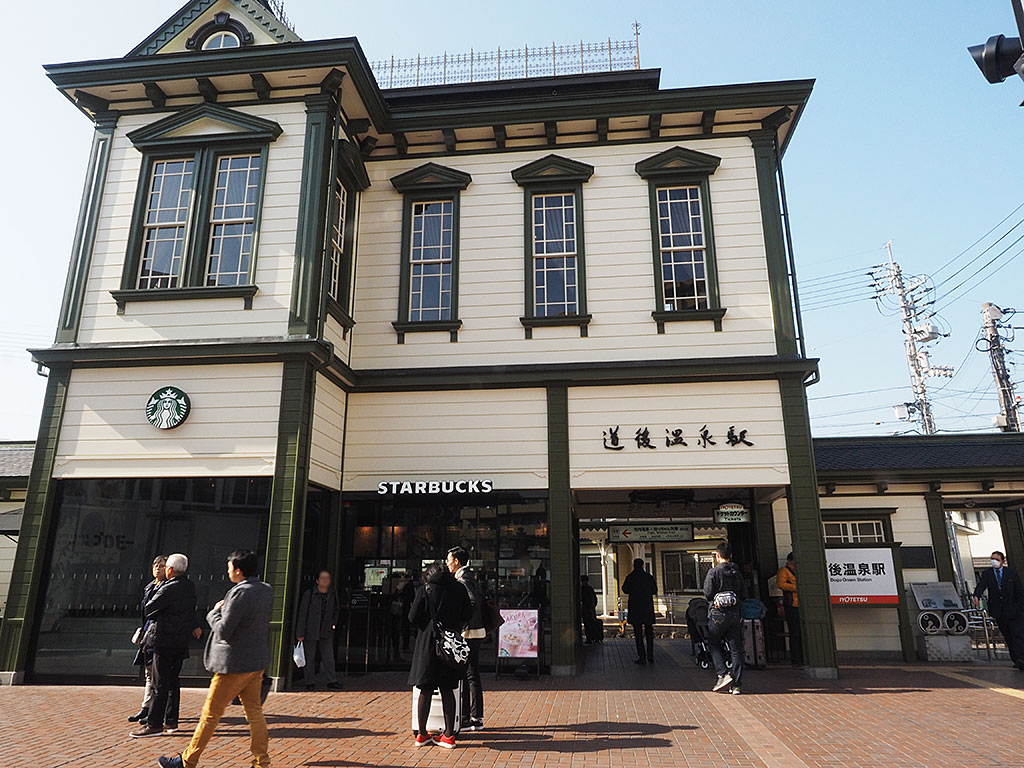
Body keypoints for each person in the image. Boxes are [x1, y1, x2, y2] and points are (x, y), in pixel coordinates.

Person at [156, 549, 274, 768]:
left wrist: (214, 612)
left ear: (238, 571)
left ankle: (188, 760)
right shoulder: (265, 590)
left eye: (229, 567)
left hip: (233, 665)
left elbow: (224, 631)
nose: (227, 571)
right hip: (256, 662)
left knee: (210, 715)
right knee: (255, 713)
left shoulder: (240, 593)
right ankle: (262, 761)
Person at [132, 553, 201, 738]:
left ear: (170, 570)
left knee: (159, 682)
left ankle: (154, 723)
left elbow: (149, 609)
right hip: (180, 640)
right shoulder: (189, 586)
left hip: (163, 639)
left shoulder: (168, 588)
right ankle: (171, 721)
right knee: (173, 681)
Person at [408, 561, 472, 749]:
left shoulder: (425, 589)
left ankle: (421, 734)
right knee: (448, 689)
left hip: (427, 644)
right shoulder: (458, 589)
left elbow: (412, 617)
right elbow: (467, 613)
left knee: (425, 689)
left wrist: (427, 627)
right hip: (449, 645)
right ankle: (449, 735)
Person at [447, 547, 486, 732]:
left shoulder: (463, 579)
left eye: (449, 560)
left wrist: (461, 621)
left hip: (469, 632)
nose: (447, 563)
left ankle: (465, 719)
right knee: (473, 675)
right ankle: (476, 717)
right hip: (476, 631)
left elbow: (472, 602)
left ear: (457, 561)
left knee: (465, 675)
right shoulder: (469, 577)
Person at [703, 542, 747, 694]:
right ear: (731, 556)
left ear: (717, 556)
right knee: (736, 649)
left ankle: (722, 673)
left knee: (713, 643)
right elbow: (743, 593)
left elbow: (708, 593)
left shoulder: (713, 572)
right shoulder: (737, 573)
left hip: (717, 614)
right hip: (735, 613)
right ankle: (736, 685)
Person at [130, 555, 167, 723]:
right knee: (148, 673)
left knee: (156, 674)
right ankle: (145, 707)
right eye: (155, 566)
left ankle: (154, 709)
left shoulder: (167, 587)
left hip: (158, 634)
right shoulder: (149, 587)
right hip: (147, 633)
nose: (157, 569)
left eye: (161, 566)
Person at [973, 550, 1024, 670]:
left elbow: (1019, 591)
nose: (994, 561)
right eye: (992, 558)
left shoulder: (1011, 573)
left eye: (996, 559)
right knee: (1008, 635)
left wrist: (1020, 607)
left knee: (1018, 634)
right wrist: (976, 595)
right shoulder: (987, 574)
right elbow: (982, 585)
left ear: (1003, 561)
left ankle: (1021, 658)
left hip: (1014, 610)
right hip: (999, 611)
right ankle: (1016, 659)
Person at [295, 569, 341, 690]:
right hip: (310, 630)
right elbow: (302, 613)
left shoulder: (332, 593)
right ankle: (309, 682)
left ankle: (332, 680)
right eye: (323, 578)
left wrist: (333, 623)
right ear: (317, 581)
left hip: (325, 630)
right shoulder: (309, 594)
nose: (326, 581)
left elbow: (336, 609)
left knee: (328, 657)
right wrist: (300, 632)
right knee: (309, 657)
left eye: (328, 578)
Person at [621, 558, 657, 664]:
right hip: (647, 608)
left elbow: (625, 589)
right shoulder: (648, 577)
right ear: (642, 565)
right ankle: (650, 655)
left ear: (633, 565)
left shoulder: (630, 577)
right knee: (649, 632)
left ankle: (642, 656)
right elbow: (654, 590)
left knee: (638, 634)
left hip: (635, 608)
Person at [776, 552, 803, 667]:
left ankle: (802, 658)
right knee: (795, 633)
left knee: (801, 633)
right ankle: (796, 660)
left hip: (800, 605)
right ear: (790, 560)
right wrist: (797, 587)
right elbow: (781, 584)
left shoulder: (800, 571)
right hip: (791, 605)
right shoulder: (784, 571)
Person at [580, 575, 602, 644]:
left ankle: (589, 639)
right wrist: (593, 606)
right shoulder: (590, 589)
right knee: (593, 624)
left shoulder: (582, 589)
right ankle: (596, 638)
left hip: (586, 609)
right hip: (591, 609)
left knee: (587, 625)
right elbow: (595, 599)